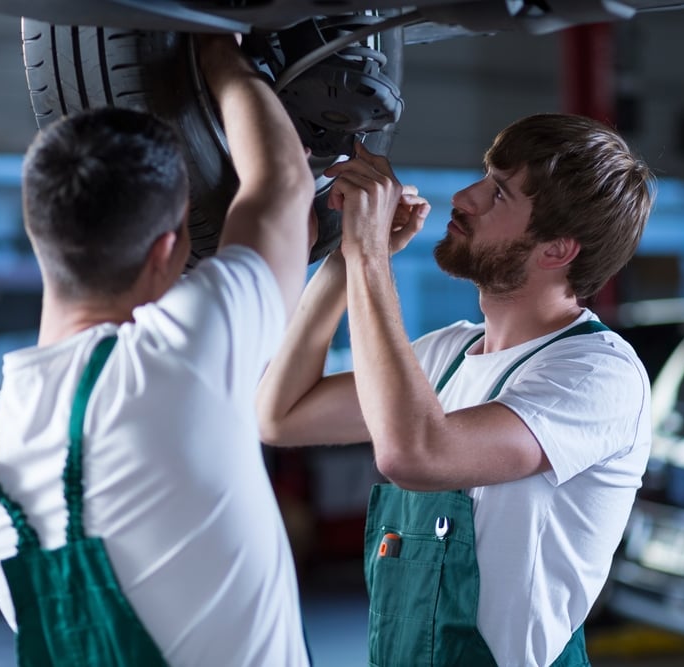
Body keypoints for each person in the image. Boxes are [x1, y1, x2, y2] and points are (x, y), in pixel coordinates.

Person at [0, 34, 316, 666]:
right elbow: (283, 182)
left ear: (43, 238)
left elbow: (282, 190)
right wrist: (219, 51)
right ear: (164, 252)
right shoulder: (177, 358)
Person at [256, 113, 656, 666]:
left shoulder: (596, 374)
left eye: (498, 194)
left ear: (557, 250)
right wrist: (347, 257)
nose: (466, 198)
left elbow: (415, 453)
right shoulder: (446, 354)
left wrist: (371, 255)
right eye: (483, 178)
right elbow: (280, 414)